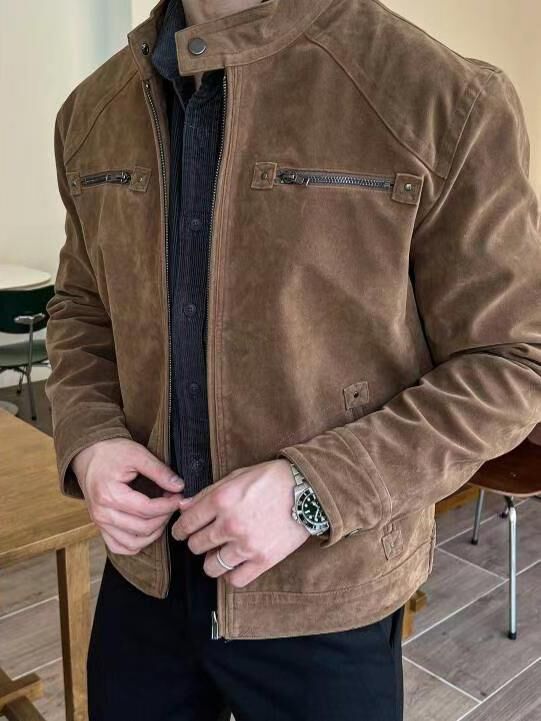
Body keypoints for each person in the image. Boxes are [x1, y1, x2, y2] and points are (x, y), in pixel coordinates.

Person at [45, 0, 541, 719]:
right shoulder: (90, 112)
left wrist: (315, 491)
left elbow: (512, 360)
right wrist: (90, 437)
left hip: (325, 588)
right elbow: (82, 308)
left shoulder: (441, 95)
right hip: (145, 578)